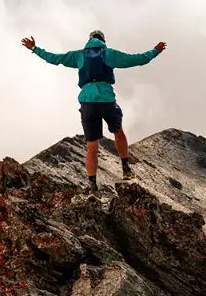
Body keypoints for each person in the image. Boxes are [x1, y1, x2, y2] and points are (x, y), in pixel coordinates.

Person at [22, 30, 166, 194]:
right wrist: (155, 51)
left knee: (92, 145)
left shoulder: (79, 55)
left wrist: (35, 49)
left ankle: (92, 187)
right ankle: (126, 169)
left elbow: (55, 59)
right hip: (106, 100)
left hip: (87, 102)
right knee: (118, 131)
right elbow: (137, 59)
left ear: (89, 40)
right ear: (103, 40)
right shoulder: (108, 53)